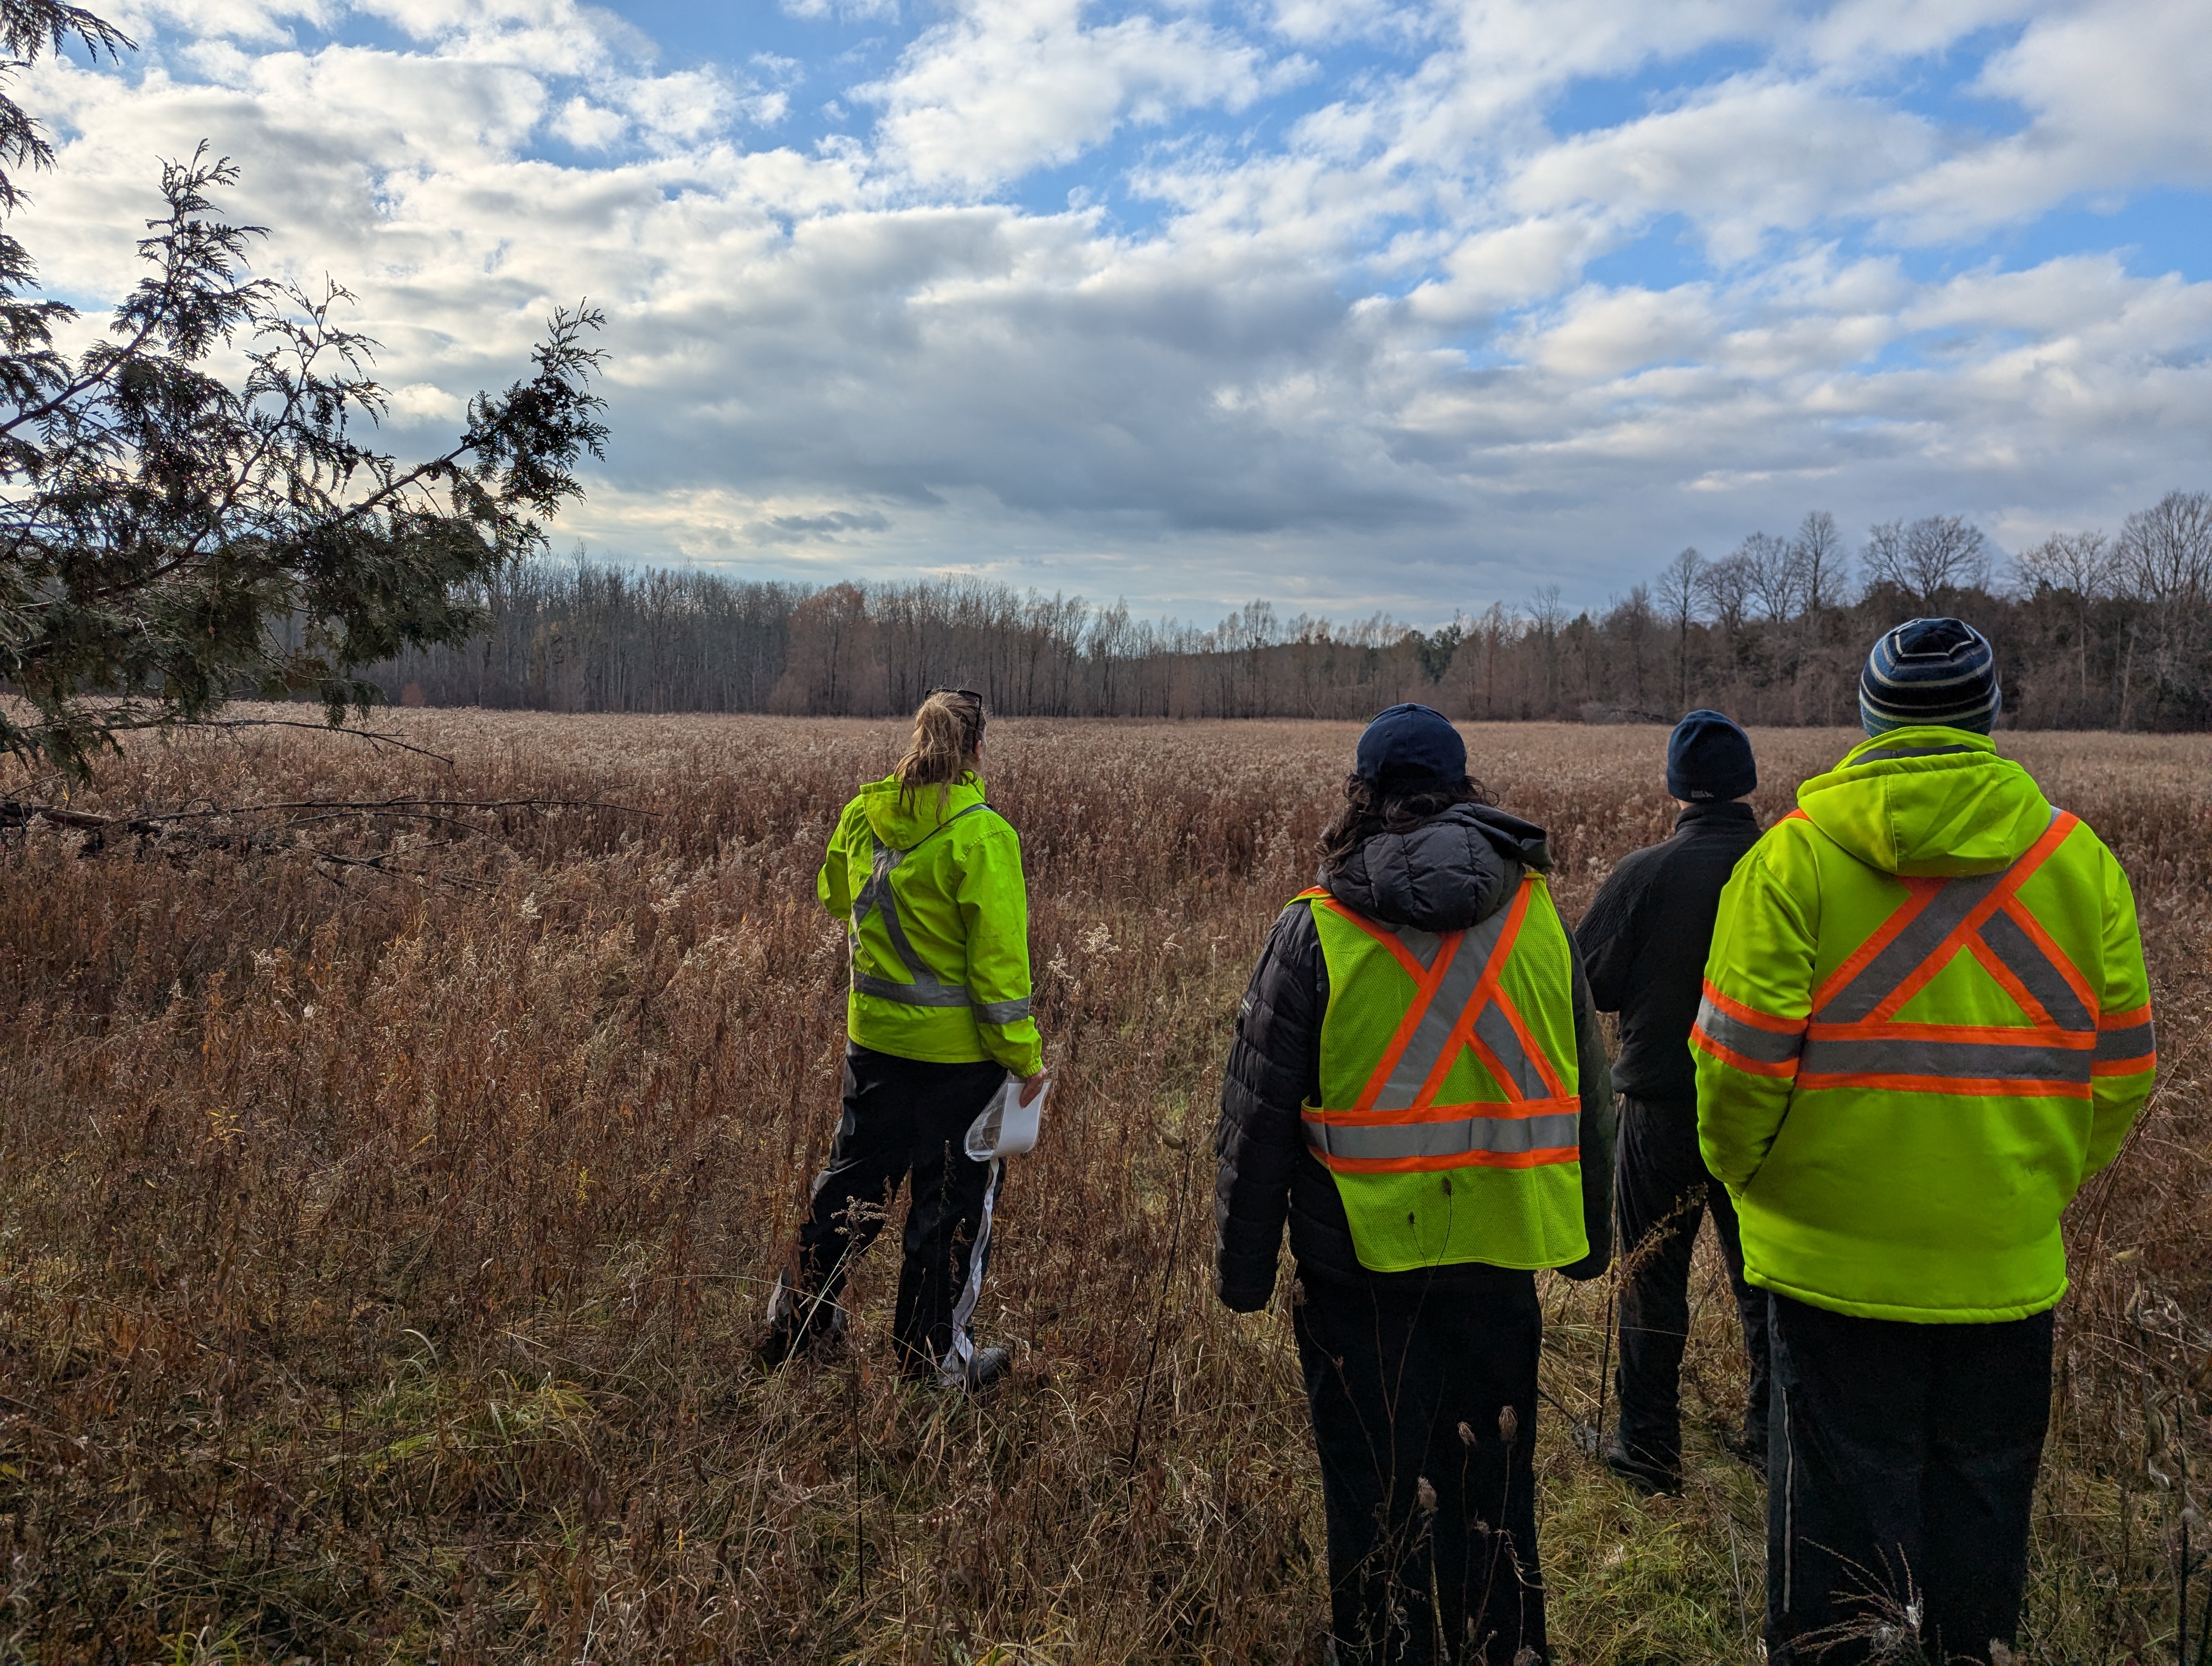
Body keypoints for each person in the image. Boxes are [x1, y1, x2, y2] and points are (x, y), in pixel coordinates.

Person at [1695, 619, 2156, 1663]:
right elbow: (2124, 1074)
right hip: (2004, 1273)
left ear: (1869, 719)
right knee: (1977, 1564)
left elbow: (1731, 1078)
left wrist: (1764, 1186)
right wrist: (2025, 1185)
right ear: (1989, 718)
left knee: (1836, 1580)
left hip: (1826, 1276)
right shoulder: (2079, 864)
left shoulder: (1791, 863)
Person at [1215, 703, 1616, 1666]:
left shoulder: (1313, 930)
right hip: (1498, 1258)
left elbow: (1256, 1121)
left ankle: (1380, 1651)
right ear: (1464, 792)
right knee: (1492, 1497)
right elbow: (1595, 1100)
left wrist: (1244, 1273)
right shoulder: (1538, 917)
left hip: (1355, 1276)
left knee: (1371, 1498)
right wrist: (1591, 1244)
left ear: (1363, 798)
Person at [760, 688, 1047, 1391]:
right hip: (960, 1063)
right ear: (977, 750)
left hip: (874, 1045)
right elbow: (1000, 974)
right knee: (947, 1210)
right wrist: (1025, 1062)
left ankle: (795, 1326)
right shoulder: (983, 836)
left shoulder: (863, 815)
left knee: (850, 1188)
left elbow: (835, 895)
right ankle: (932, 1362)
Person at [1578, 709, 1771, 1495]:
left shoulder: (1645, 873)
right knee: (1764, 1281)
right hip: (1764, 1110)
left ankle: (1648, 1451)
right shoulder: (1785, 869)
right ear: (1748, 784)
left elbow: (1589, 981)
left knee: (1652, 1275)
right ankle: (1771, 1441)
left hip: (1660, 1109)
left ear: (1676, 790)